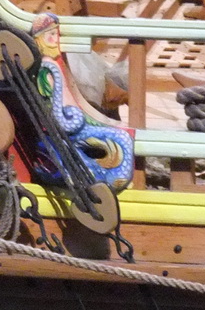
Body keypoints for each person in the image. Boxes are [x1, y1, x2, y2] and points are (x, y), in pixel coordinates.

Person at [30, 12, 134, 193]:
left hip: (76, 120)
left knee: (121, 137)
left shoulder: (58, 68)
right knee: (120, 137)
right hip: (72, 122)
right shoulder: (53, 71)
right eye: (50, 36)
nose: (55, 39)